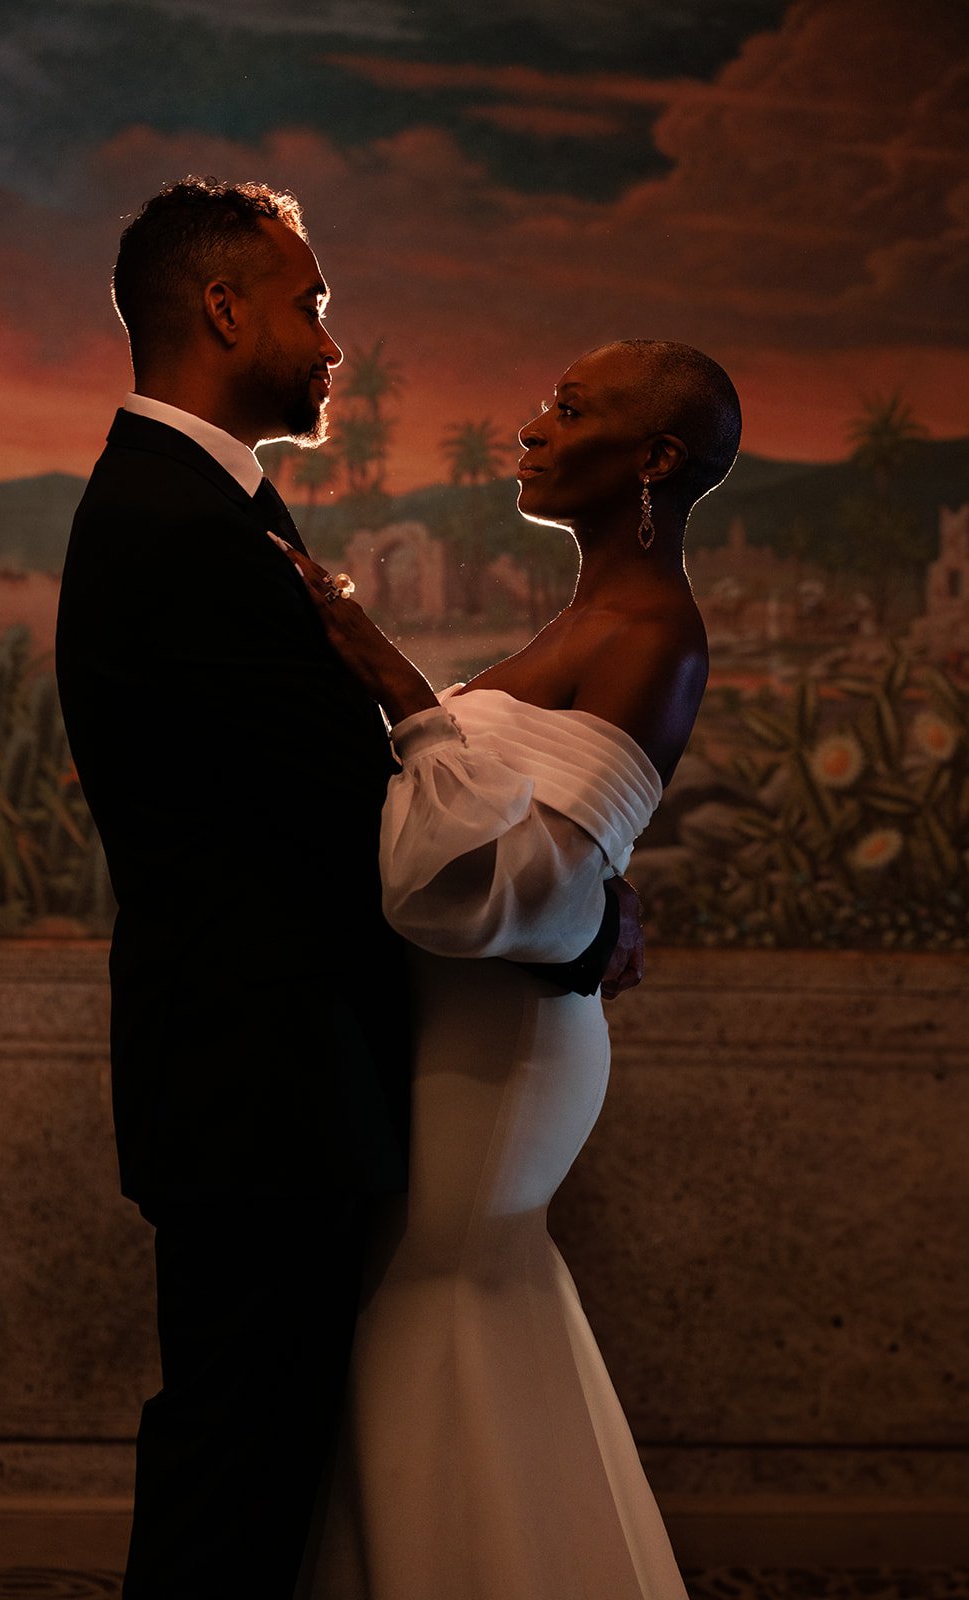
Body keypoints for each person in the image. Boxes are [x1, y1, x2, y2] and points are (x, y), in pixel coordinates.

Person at [54, 177, 637, 1598]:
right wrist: (586, 920)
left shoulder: (203, 506)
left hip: (262, 1077)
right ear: (222, 307)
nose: (328, 339)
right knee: (235, 1480)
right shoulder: (179, 526)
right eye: (310, 304)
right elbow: (341, 828)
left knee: (254, 1464)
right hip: (261, 1084)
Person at [279, 338, 742, 1599]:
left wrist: (392, 679)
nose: (531, 426)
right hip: (454, 1031)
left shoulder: (653, 630)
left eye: (570, 409)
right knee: (441, 1308)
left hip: (503, 1041)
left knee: (445, 1305)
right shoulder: (590, 614)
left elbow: (509, 894)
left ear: (652, 459)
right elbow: (554, 853)